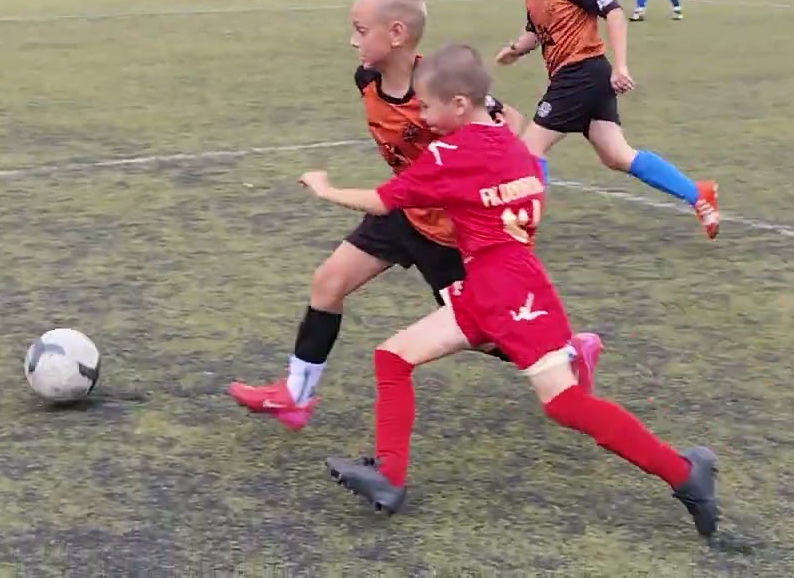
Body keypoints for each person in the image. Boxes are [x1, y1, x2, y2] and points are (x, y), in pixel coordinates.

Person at [307, 44, 720, 540]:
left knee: (563, 402)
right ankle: (388, 477)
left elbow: (380, 201)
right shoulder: (513, 143)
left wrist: (325, 188)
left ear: (459, 104)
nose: (421, 114)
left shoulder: (449, 153)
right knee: (392, 357)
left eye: (427, 105)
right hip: (485, 285)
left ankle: (683, 475)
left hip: (510, 292)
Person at [228, 0, 522, 431]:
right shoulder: (366, 78)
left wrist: (477, 181)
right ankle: (295, 396)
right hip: (401, 209)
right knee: (328, 281)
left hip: (446, 232)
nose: (352, 40)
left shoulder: (444, 88)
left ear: (397, 33)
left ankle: (563, 353)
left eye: (361, 30)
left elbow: (509, 124)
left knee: (480, 335)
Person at [494, 0, 719, 239]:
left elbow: (613, 12)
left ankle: (521, 230)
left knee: (529, 149)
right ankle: (698, 193)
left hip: (581, 73)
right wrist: (516, 50)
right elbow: (536, 32)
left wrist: (621, 66)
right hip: (583, 78)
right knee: (617, 156)